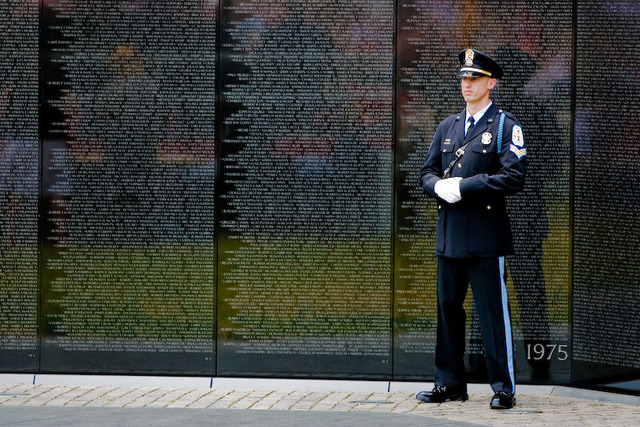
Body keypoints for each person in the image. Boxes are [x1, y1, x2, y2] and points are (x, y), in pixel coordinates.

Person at [416, 49, 526, 409]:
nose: (467, 85)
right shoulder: (447, 126)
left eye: (474, 79)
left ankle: (502, 386)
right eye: (463, 79)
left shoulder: (504, 127)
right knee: (448, 309)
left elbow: (513, 176)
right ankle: (449, 383)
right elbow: (426, 172)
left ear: (491, 83)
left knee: (492, 312)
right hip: (449, 235)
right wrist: (437, 187)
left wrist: (466, 186)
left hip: (484, 235)